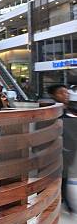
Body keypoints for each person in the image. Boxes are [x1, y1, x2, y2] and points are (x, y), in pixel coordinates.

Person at [47, 84, 77, 213]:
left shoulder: (71, 109)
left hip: (69, 151)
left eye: (66, 92)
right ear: (53, 95)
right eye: (61, 93)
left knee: (63, 176)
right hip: (56, 151)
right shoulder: (50, 111)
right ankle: (57, 201)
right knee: (55, 177)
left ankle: (62, 199)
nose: (66, 95)